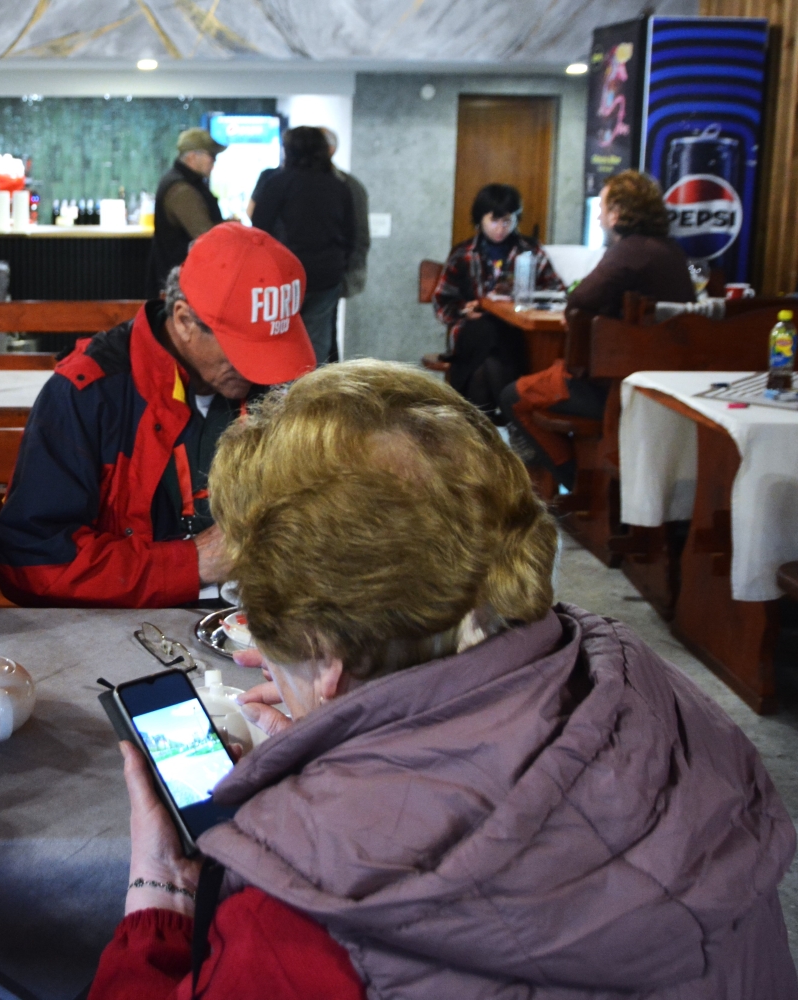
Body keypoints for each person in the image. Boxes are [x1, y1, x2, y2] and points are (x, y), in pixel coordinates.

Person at [90, 360, 797, 999]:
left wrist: (162, 899)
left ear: (321, 650)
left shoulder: (303, 916)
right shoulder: (653, 686)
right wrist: (356, 744)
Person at [0, 222, 315, 608]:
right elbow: (32, 562)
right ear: (183, 320)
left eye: (273, 348)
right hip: (129, 629)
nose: (261, 371)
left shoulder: (279, 384)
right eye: (245, 351)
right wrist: (192, 562)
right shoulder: (87, 392)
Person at [498, 170, 695, 484]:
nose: (600, 217)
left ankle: (580, 484)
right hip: (663, 386)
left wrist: (579, 314)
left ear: (617, 214)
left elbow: (580, 299)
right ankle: (596, 484)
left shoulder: (629, 252)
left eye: (602, 208)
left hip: (617, 388)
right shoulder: (670, 251)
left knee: (514, 396)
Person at [431, 183, 564, 418]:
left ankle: (478, 422)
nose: (501, 228)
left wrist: (524, 298)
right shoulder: (463, 253)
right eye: (494, 220)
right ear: (480, 219)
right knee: (488, 331)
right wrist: (464, 309)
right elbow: (442, 301)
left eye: (507, 221)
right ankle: (515, 417)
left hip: (516, 330)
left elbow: (556, 291)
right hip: (470, 330)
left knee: (487, 360)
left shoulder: (530, 251)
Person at [248, 126, 356, 366]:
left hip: (284, 277)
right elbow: (351, 234)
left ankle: (279, 395)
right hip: (326, 276)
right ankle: (309, 397)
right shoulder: (339, 187)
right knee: (317, 343)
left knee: (280, 337)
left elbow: (259, 228)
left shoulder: (277, 184)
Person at [143, 127, 225, 298]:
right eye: (212, 156)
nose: (214, 162)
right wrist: (229, 229)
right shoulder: (182, 189)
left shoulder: (182, 182)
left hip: (181, 281)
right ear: (193, 156)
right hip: (184, 286)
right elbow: (205, 235)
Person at [321, 127, 371, 312]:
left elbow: (359, 233)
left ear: (330, 150)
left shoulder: (348, 185)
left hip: (332, 275)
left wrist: (350, 274)